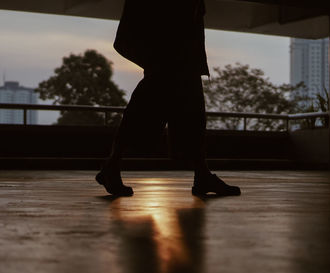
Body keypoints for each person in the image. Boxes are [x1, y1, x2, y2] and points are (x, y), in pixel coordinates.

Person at [96, 0, 241, 197]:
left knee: (185, 115)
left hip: (174, 58)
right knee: (155, 113)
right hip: (172, 58)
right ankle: (112, 166)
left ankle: (201, 174)